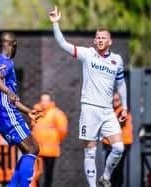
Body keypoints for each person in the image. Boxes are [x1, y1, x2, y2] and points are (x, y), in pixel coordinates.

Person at [49, 6, 128, 187]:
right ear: (94, 40)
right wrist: (55, 24)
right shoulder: (88, 54)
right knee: (90, 152)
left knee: (118, 148)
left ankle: (105, 177)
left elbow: (121, 84)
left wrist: (124, 106)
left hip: (108, 111)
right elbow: (63, 44)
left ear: (110, 41)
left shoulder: (117, 60)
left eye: (103, 38)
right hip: (89, 109)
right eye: (97, 38)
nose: (100, 40)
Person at [0, 31, 42, 187]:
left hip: (0, 113)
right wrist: (9, 92)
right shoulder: (6, 62)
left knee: (30, 150)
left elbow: (10, 97)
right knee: (32, 149)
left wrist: (28, 111)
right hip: (5, 114)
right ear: (14, 44)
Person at [31, 92, 68, 187]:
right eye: (42, 100)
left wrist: (54, 140)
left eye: (46, 100)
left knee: (48, 175)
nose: (44, 103)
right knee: (36, 174)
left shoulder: (56, 113)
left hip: (51, 150)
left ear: (50, 101)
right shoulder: (36, 112)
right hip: (38, 150)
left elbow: (62, 131)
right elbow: (34, 129)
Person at [102, 92, 133, 187]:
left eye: (117, 100)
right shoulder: (114, 111)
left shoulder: (123, 111)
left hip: (121, 145)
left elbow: (118, 125)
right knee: (112, 170)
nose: (114, 102)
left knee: (117, 170)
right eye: (113, 100)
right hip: (112, 145)